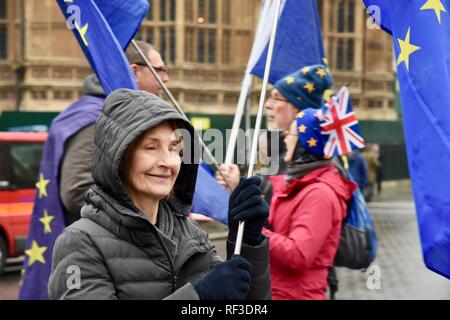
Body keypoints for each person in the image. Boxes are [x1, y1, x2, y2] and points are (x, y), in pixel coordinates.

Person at [48, 89, 271, 300]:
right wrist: (197, 297)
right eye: (151, 148)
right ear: (118, 156)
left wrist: (247, 243)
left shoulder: (190, 232)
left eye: (174, 148)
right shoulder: (79, 242)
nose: (167, 162)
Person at [59, 41, 169, 225]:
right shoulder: (98, 118)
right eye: (159, 70)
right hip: (100, 247)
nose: (165, 79)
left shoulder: (131, 117)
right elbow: (77, 192)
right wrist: (143, 206)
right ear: (135, 72)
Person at [263, 108, 357, 300]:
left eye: (292, 133)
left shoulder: (319, 194)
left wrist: (255, 230)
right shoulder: (297, 185)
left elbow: (298, 255)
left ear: (306, 143)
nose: (286, 138)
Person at [217, 64, 333, 200]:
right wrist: (237, 184)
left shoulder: (315, 152)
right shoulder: (273, 145)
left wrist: (241, 184)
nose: (267, 105)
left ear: (298, 108)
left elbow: (288, 197)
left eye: (276, 98)